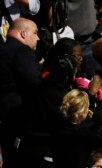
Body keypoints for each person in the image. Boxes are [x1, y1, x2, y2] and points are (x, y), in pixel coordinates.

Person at [0, 17, 40, 168]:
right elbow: (34, 83)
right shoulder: (22, 51)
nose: (38, 38)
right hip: (17, 119)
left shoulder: (2, 50)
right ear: (23, 34)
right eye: (35, 33)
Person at [50, 89, 102, 168]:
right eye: (87, 108)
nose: (88, 110)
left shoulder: (58, 124)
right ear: (83, 110)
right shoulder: (81, 133)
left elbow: (91, 119)